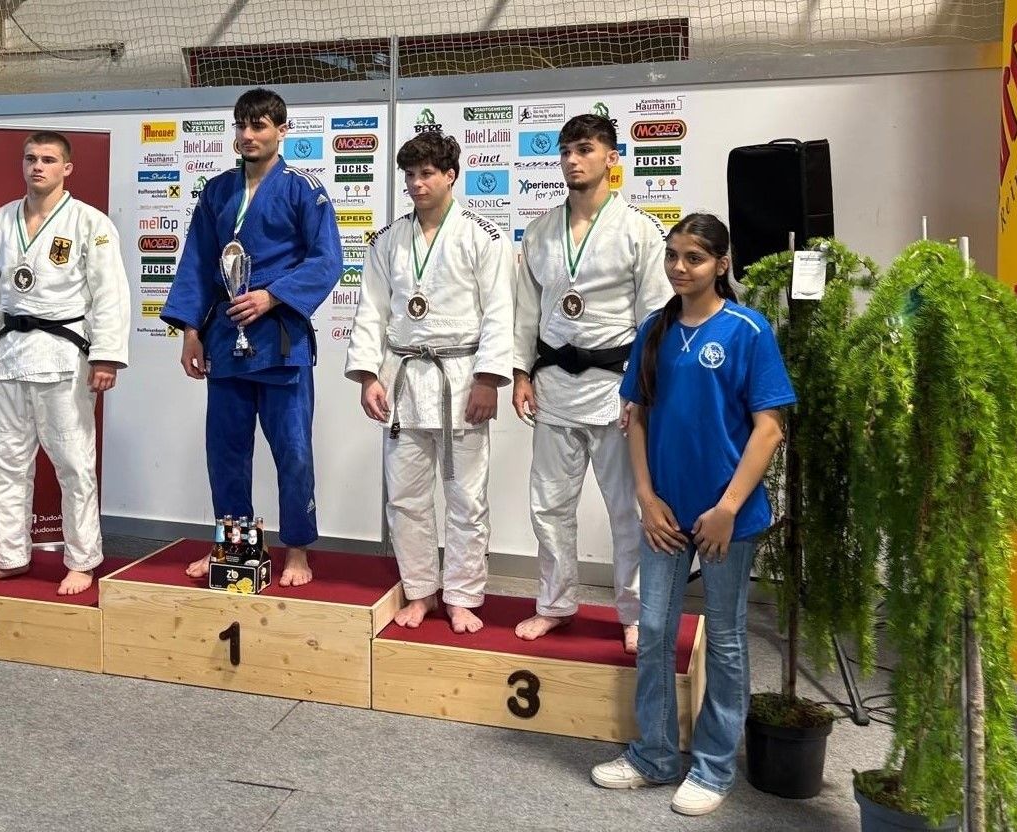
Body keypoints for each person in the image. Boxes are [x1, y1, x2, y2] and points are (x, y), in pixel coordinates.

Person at [590, 214, 795, 816]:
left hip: (727, 520)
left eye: (695, 258)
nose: (681, 268)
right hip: (665, 517)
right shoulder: (655, 330)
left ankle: (711, 767)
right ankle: (653, 756)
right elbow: (637, 418)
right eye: (673, 256)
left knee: (727, 639)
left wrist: (728, 509)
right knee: (653, 631)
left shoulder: (747, 330)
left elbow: (770, 428)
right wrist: (646, 500)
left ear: (722, 264)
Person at [162, 88, 341, 587]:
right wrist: (190, 332)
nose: (248, 135)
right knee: (226, 452)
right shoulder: (217, 191)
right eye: (241, 125)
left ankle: (298, 550)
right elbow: (197, 262)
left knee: (293, 451)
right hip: (225, 342)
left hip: (281, 343)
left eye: (260, 126)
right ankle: (235, 548)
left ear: (282, 131)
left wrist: (272, 296)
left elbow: (327, 261)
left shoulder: (306, 190)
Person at [511, 114, 670, 652]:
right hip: (554, 383)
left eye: (584, 150)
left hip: (616, 389)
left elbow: (654, 319)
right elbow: (526, 311)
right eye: (564, 151)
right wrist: (519, 372)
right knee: (548, 505)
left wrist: (642, 391)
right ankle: (554, 604)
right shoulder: (538, 231)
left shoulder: (639, 231)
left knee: (627, 507)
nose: (572, 161)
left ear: (611, 158)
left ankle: (635, 612)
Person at [345, 132, 514, 633]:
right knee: (405, 495)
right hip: (402, 377)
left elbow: (500, 313)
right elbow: (372, 312)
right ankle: (420, 590)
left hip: (461, 378)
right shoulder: (387, 240)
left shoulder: (484, 237)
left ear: (450, 176)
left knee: (466, 495)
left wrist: (488, 379)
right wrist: (367, 375)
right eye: (410, 176)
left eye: (427, 174)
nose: (417, 185)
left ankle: (462, 595)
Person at [0, 131, 130, 596]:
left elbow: (110, 295)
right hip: (10, 354)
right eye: (31, 158)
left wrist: (106, 356)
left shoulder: (90, 224)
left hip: (63, 355)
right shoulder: (0, 220)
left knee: (73, 463)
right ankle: (9, 557)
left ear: (67, 168)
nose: (38, 166)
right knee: (1, 462)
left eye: (49, 159)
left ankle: (82, 559)